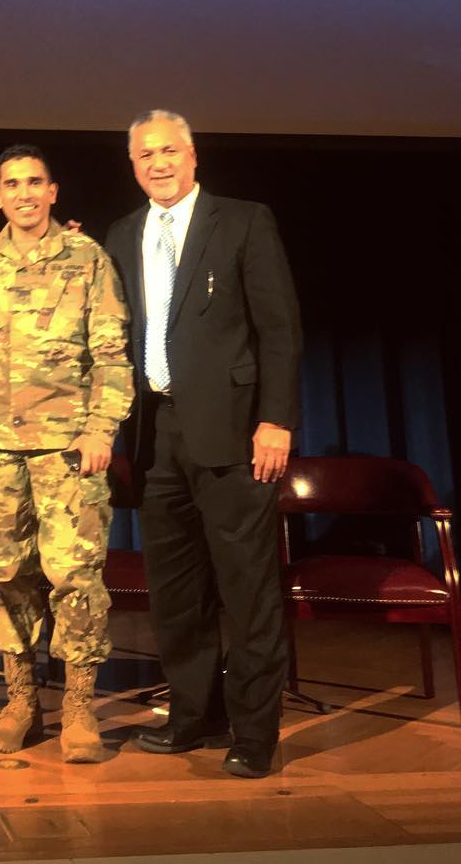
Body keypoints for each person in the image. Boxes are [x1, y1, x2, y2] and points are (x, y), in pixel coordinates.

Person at [104, 110, 302, 779]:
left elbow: (279, 328)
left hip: (235, 431)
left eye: (169, 151)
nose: (158, 163)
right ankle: (194, 715)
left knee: (246, 588)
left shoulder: (243, 221)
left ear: (193, 157)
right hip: (155, 433)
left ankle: (255, 731)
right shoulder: (122, 234)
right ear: (133, 166)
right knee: (176, 591)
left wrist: (275, 418)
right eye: (145, 155)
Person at [0, 145, 133, 762]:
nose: (24, 193)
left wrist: (101, 430)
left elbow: (111, 354)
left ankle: (80, 708)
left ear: (53, 191)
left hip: (68, 447)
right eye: (12, 184)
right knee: (10, 575)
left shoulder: (88, 258)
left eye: (34, 182)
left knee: (74, 576)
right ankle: (21, 703)